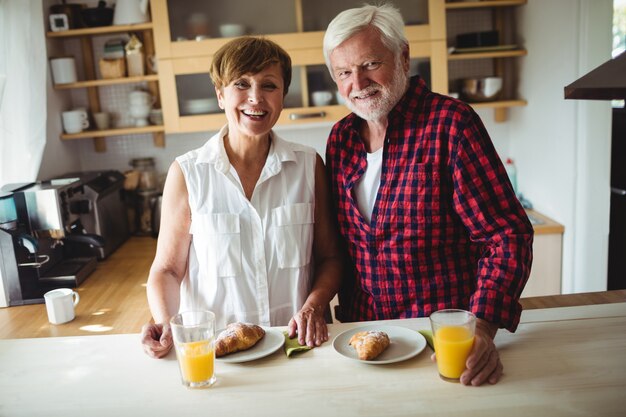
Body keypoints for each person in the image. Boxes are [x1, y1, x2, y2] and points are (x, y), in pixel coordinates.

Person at [323, 4, 534, 386]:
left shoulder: (452, 125)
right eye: (344, 72)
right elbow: (340, 248)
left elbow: (507, 236)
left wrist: (482, 327)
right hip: (363, 343)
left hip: (442, 343)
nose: (358, 82)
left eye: (371, 64)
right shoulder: (340, 140)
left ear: (403, 55)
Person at [141, 37, 342, 358]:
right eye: (241, 84)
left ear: (283, 96)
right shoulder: (188, 173)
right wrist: (167, 324)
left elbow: (331, 258)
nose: (256, 98)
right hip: (216, 352)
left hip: (296, 347)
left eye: (269, 85)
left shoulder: (308, 165)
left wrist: (314, 308)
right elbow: (167, 270)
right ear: (220, 95)